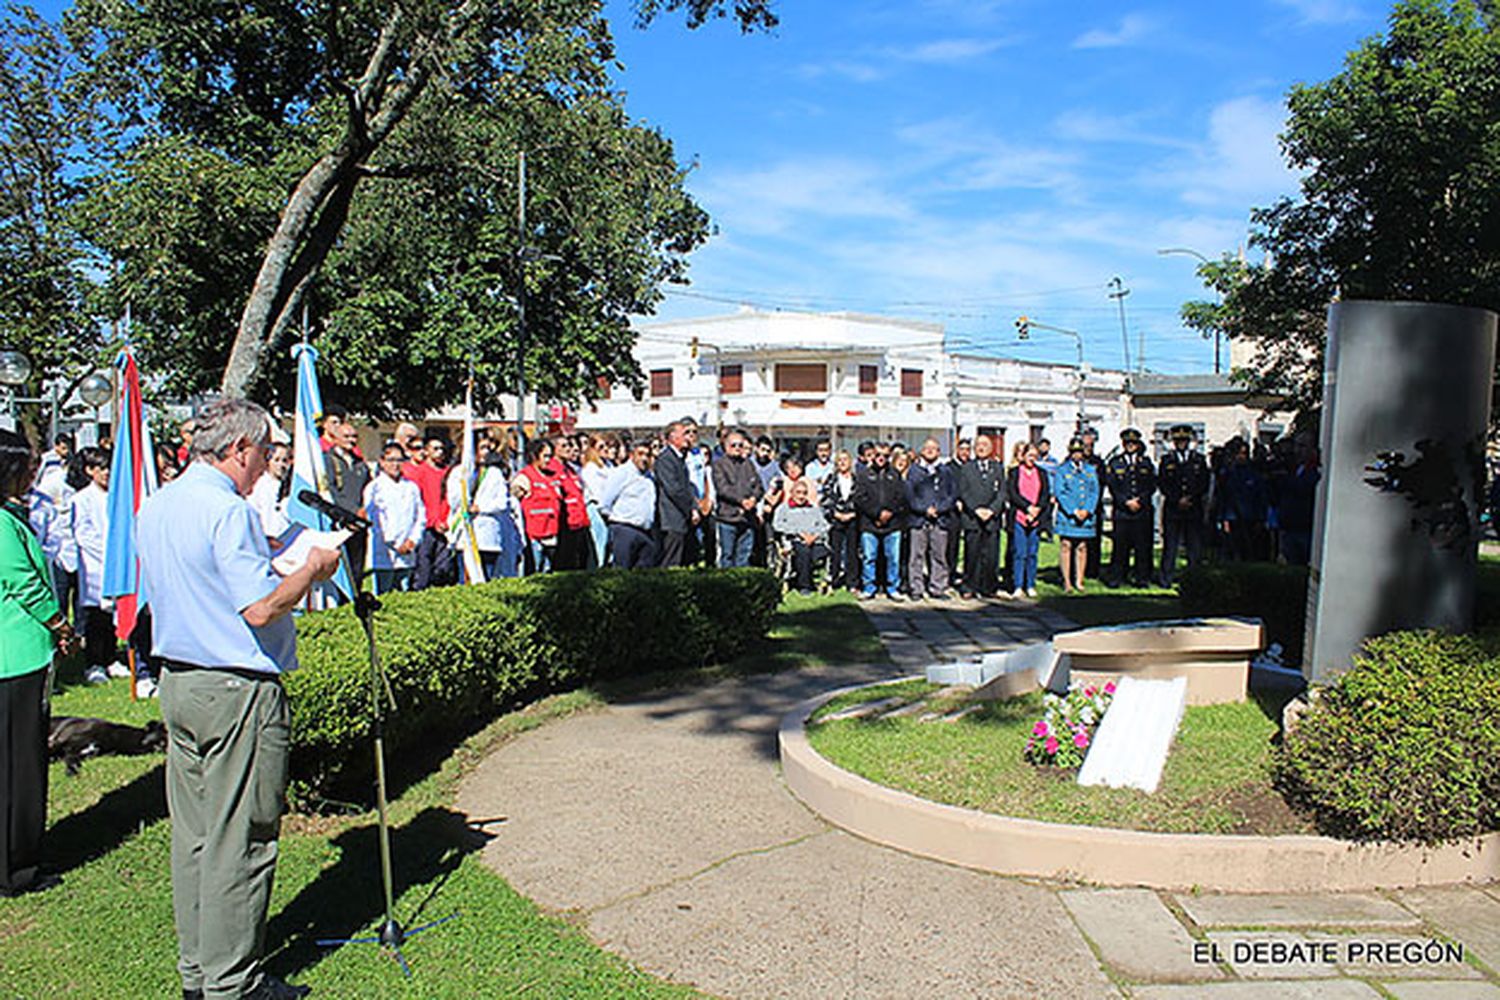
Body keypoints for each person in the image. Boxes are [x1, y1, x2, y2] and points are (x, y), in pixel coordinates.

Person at [137, 398, 341, 1000]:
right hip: (234, 687)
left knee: (196, 836)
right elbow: (260, 608)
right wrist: (313, 570)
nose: (265, 469)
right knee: (242, 839)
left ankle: (199, 971)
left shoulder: (161, 502)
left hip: (180, 680)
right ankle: (233, 983)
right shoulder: (227, 511)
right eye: (263, 455)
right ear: (239, 449)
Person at [1, 429, 78, 897]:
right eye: (23, 467)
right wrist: (60, 624)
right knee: (19, 764)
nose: (32, 473)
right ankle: (17, 865)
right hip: (16, 658)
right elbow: (24, 582)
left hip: (19, 656)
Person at [69, 446, 119, 684]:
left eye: (109, 467)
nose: (107, 473)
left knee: (112, 616)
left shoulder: (117, 496)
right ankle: (94, 662)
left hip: (113, 564)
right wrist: (108, 553)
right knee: (95, 617)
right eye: (101, 468)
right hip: (94, 565)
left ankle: (110, 658)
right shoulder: (81, 499)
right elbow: (83, 534)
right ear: (90, 471)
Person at [363, 443, 424, 593]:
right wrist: (395, 544)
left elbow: (420, 516)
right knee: (383, 594)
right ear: (382, 462)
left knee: (404, 594)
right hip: (384, 552)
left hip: (407, 552)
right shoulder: (374, 487)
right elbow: (374, 520)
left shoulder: (411, 487)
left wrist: (412, 541)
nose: (395, 465)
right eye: (391, 460)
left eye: (399, 460)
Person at [1156, 424, 1210, 586]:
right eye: (1178, 441)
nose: (1181, 443)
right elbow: (1163, 484)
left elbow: (1203, 483)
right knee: (1170, 546)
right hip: (1173, 509)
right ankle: (1166, 578)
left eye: (1184, 440)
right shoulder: (1167, 460)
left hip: (1193, 509)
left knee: (1194, 546)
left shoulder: (1198, 460)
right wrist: (1177, 499)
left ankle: (1194, 578)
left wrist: (1190, 498)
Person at [853, 442, 907, 600]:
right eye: (878, 455)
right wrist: (877, 514)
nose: (881, 458)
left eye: (885, 455)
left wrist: (889, 513)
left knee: (893, 558)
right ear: (872, 455)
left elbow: (901, 498)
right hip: (869, 524)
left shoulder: (895, 474)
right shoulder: (863, 474)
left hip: (892, 524)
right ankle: (869, 587)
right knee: (869, 558)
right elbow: (860, 498)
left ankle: (892, 588)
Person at [904, 437, 956, 600]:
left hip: (940, 519)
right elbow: (910, 496)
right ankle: (916, 588)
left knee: (939, 556)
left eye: (934, 448)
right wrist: (924, 509)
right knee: (916, 556)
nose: (930, 451)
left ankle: (937, 588)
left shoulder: (946, 471)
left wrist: (939, 509)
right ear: (922, 451)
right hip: (919, 520)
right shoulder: (914, 471)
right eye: (927, 448)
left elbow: (952, 495)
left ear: (939, 452)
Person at [1104, 428, 1156, 588]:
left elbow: (1151, 485)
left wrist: (1140, 500)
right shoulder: (1115, 462)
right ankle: (1118, 577)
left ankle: (1142, 578)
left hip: (1142, 510)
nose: (1130, 446)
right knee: (1120, 546)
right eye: (1127, 443)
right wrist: (1126, 501)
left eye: (1133, 443)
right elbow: (1112, 485)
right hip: (1122, 511)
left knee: (1142, 546)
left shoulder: (1145, 462)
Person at [955, 435, 1005, 598]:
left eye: (985, 445)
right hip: (972, 519)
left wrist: (991, 510)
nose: (981, 448)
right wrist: (976, 510)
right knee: (972, 554)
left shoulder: (997, 468)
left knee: (991, 555)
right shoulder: (967, 468)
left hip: (992, 519)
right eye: (978, 445)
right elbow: (964, 492)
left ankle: (989, 587)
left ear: (991, 449)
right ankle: (970, 586)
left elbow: (1002, 493)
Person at [599, 440, 659, 569]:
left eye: (647, 455)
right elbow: (605, 503)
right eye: (640, 454)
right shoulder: (621, 473)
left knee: (643, 574)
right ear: (632, 455)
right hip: (624, 529)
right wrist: (618, 519)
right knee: (622, 572)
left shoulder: (650, 477)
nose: (644, 458)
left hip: (645, 530)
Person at [1053, 437, 1101, 594]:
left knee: (1082, 546)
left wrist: (1087, 510)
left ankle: (1079, 580)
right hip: (1068, 515)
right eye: (1074, 452)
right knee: (1066, 545)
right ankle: (1067, 581)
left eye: (1079, 452)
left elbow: (1095, 491)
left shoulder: (1090, 470)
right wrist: (1073, 511)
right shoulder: (1062, 470)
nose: (1077, 455)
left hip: (1085, 515)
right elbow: (1060, 492)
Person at [1005, 441, 1052, 598]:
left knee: (1032, 553)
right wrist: (1027, 508)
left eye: (1034, 456)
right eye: (1029, 455)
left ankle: (1030, 584)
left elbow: (1045, 494)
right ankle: (1018, 585)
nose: (1032, 459)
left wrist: (1037, 508)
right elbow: (1013, 493)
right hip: (1020, 516)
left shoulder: (1042, 473)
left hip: (1036, 518)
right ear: (1023, 456)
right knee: (1019, 552)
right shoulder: (1015, 472)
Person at [406, 434, 452, 589]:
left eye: (442, 449)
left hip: (443, 526)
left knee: (442, 568)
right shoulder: (419, 473)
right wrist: (432, 521)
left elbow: (448, 499)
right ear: (427, 451)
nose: (440, 452)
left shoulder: (447, 472)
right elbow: (419, 502)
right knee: (423, 566)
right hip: (426, 526)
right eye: (435, 449)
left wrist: (444, 520)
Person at [711, 430, 763, 568]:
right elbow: (723, 489)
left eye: (740, 445)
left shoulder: (748, 464)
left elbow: (759, 486)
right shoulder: (719, 465)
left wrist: (753, 499)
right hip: (728, 517)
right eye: (734, 445)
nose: (737, 448)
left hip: (747, 518)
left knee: (744, 556)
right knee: (727, 556)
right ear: (726, 446)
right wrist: (742, 501)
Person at [773, 478, 829, 594]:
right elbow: (777, 525)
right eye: (798, 492)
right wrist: (798, 533)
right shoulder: (783, 508)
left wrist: (815, 535)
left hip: (814, 540)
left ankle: (823, 580)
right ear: (792, 493)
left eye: (804, 493)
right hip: (794, 540)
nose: (801, 496)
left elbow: (825, 525)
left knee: (824, 552)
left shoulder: (814, 509)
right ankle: (805, 586)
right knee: (803, 552)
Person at [514, 439, 561, 573]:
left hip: (551, 533)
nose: (548, 460)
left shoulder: (552, 477)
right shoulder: (525, 477)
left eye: (550, 456)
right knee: (534, 570)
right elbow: (514, 499)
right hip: (534, 535)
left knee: (548, 571)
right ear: (535, 456)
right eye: (545, 456)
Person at [654, 421, 696, 568]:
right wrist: (690, 509)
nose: (688, 437)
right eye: (684, 433)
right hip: (671, 518)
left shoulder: (679, 458)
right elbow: (674, 490)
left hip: (680, 518)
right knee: (670, 561)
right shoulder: (666, 458)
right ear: (672, 437)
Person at [546, 435, 591, 570]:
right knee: (566, 561)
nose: (568, 449)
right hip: (565, 523)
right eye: (563, 446)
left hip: (578, 521)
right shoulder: (552, 469)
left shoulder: (569, 469)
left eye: (569, 445)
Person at [820, 449, 860, 591]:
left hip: (853, 519)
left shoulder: (857, 479)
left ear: (850, 462)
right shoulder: (831, 478)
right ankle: (834, 580)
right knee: (835, 551)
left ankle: (852, 582)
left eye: (845, 459)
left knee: (852, 552)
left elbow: (861, 499)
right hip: (836, 520)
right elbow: (825, 498)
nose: (842, 462)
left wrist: (853, 513)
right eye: (840, 460)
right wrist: (835, 513)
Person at [580, 435, 616, 567]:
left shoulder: (609, 466)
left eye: (606, 445)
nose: (605, 449)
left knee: (609, 543)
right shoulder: (590, 469)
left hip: (610, 509)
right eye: (601, 447)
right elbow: (597, 492)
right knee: (599, 542)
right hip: (596, 508)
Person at [247, 442, 292, 546]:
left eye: (284, 460)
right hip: (267, 540)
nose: (281, 465)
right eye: (276, 460)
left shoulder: (289, 486)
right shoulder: (259, 486)